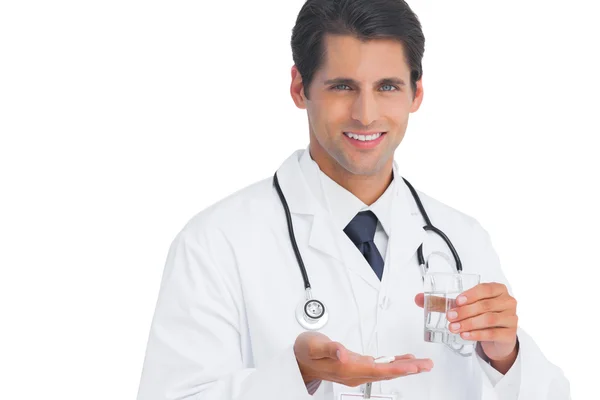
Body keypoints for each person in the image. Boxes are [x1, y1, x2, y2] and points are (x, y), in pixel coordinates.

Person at [136, 0, 570, 399]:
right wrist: (296, 376)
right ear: (299, 86)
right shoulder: (215, 243)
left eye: (387, 87)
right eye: (343, 86)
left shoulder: (462, 239)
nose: (366, 114)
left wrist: (506, 357)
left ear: (416, 94)